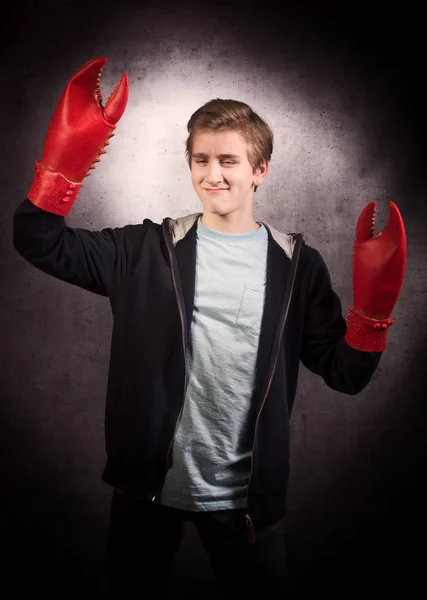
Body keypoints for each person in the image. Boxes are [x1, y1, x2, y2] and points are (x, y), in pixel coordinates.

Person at [13, 57, 407, 599]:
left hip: (247, 503)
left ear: (260, 169)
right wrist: (64, 163)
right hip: (146, 492)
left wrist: (375, 308)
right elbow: (40, 242)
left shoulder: (297, 266)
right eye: (200, 159)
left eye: (228, 160)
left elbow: (346, 373)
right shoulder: (143, 250)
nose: (212, 174)